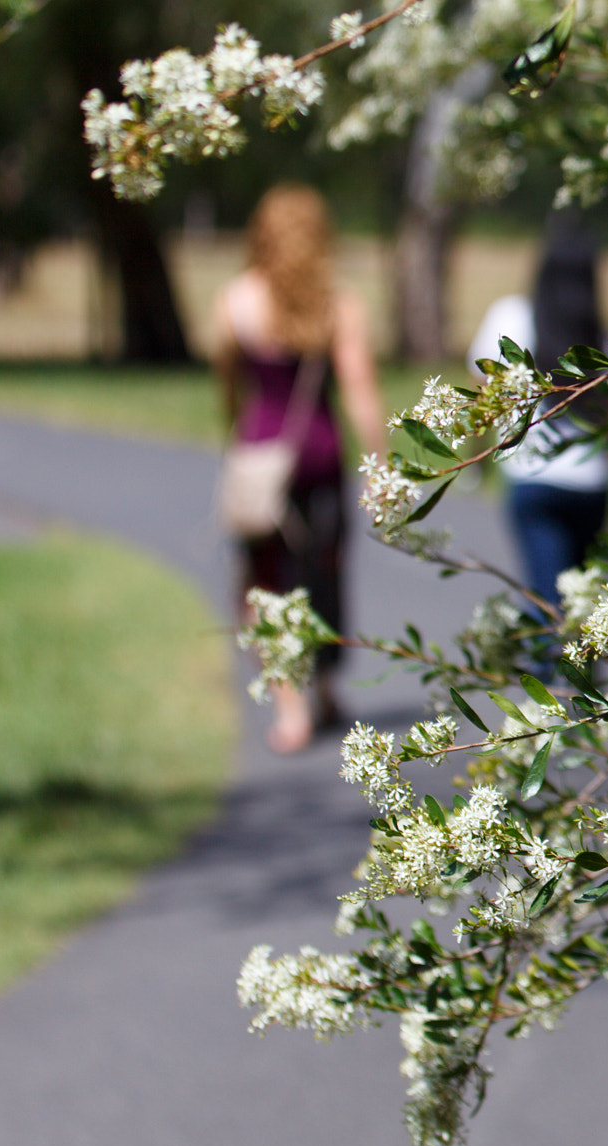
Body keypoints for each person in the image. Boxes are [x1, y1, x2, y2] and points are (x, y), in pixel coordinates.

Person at [214, 184, 384, 754]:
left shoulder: (236, 299)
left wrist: (235, 438)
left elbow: (230, 385)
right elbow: (360, 391)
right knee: (324, 572)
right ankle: (328, 690)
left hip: (262, 456)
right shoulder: (338, 304)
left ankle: (292, 709)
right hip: (319, 453)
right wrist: (379, 462)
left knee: (268, 581)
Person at [467, 214, 608, 616]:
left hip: (533, 481)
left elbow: (482, 398)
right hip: (591, 485)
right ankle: (576, 673)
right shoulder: (603, 338)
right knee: (579, 597)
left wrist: (478, 457)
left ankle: (554, 676)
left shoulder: (510, 318)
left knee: (547, 598)